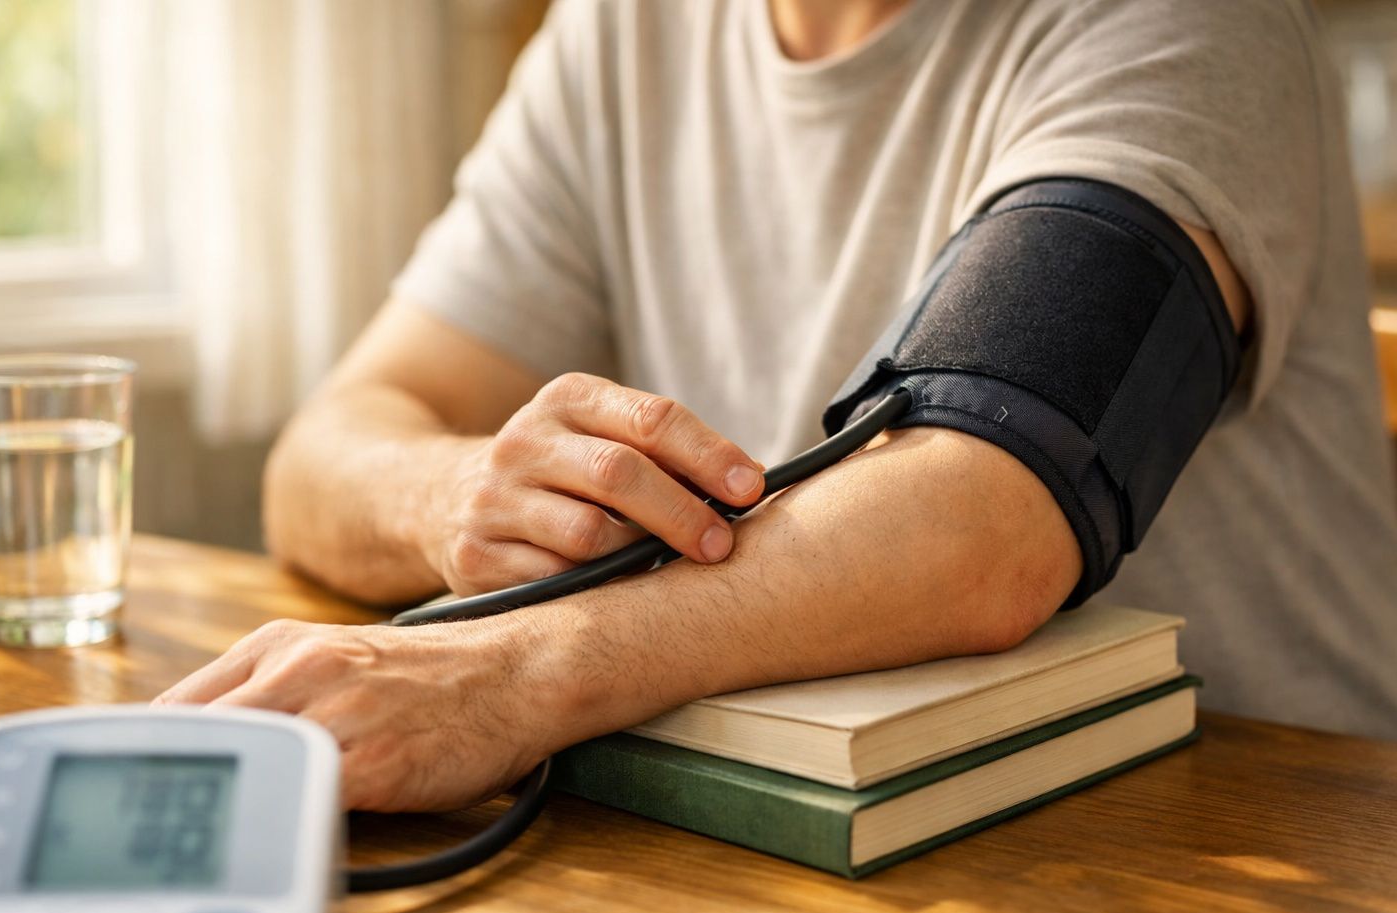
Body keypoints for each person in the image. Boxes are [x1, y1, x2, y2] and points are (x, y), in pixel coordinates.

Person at [156, 0, 1397, 810]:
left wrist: (505, 672)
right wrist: (457, 496)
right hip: (818, 834)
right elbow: (330, 445)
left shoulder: (1184, 24)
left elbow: (990, 514)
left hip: (1244, 845)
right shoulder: (618, 37)